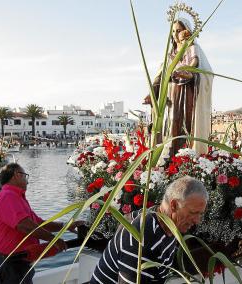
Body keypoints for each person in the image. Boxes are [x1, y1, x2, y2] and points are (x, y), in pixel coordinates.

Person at [90, 176, 208, 284]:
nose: (197, 221)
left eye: (200, 214)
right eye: (193, 213)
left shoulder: (164, 222)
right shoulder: (142, 238)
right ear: (174, 205)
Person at [0, 163, 84, 284]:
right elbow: (25, 226)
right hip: (9, 264)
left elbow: (39, 224)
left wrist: (65, 226)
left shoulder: (17, 198)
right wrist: (53, 240)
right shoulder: (7, 196)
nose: (27, 181)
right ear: (17, 175)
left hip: (19, 264)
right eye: (25, 176)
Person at [144, 18, 213, 156]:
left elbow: (200, 68)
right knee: (170, 124)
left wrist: (188, 72)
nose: (176, 35)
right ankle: (169, 156)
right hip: (171, 93)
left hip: (187, 93)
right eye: (173, 31)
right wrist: (153, 92)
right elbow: (161, 74)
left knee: (184, 125)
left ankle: (184, 156)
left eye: (179, 31)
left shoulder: (193, 48)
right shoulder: (171, 54)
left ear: (186, 32)